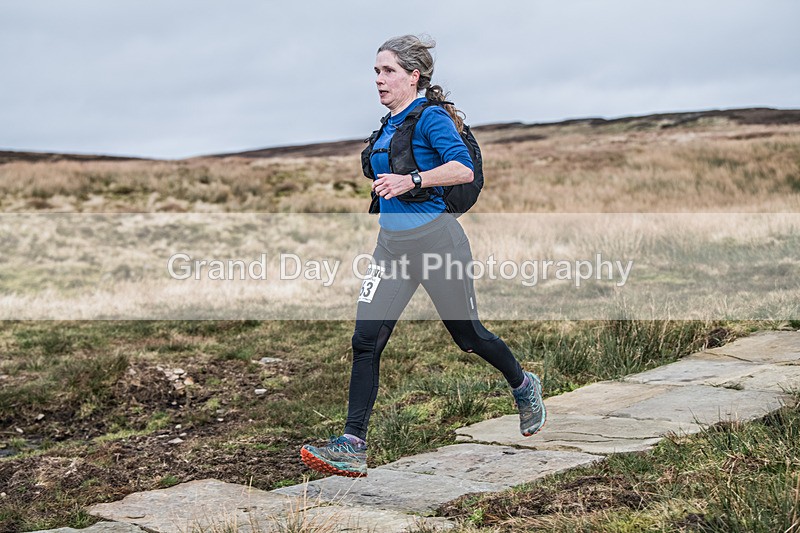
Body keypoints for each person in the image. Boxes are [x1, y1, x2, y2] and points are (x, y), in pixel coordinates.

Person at [300, 35, 545, 478]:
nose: (379, 79)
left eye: (388, 70)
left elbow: (461, 169)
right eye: (376, 71)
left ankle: (523, 384)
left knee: (468, 336)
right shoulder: (387, 125)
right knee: (365, 341)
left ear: (414, 76)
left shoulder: (430, 118)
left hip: (437, 244)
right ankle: (353, 444)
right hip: (391, 249)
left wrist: (410, 179)